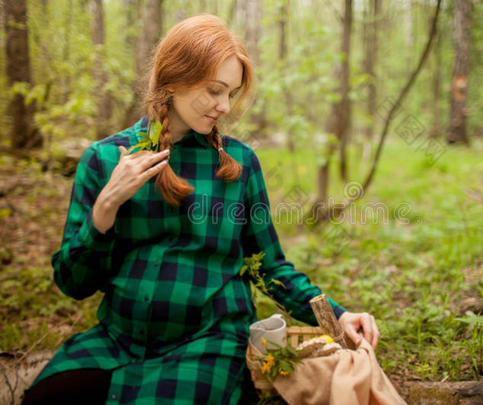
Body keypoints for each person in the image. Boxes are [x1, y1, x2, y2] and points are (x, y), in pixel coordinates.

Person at [23, 13, 379, 405]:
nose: (225, 106)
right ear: (172, 79)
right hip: (119, 341)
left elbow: (270, 267)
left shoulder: (240, 165)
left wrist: (338, 315)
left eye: (231, 93)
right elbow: (73, 284)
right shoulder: (104, 159)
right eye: (214, 90)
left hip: (207, 341)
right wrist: (106, 206)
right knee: (45, 397)